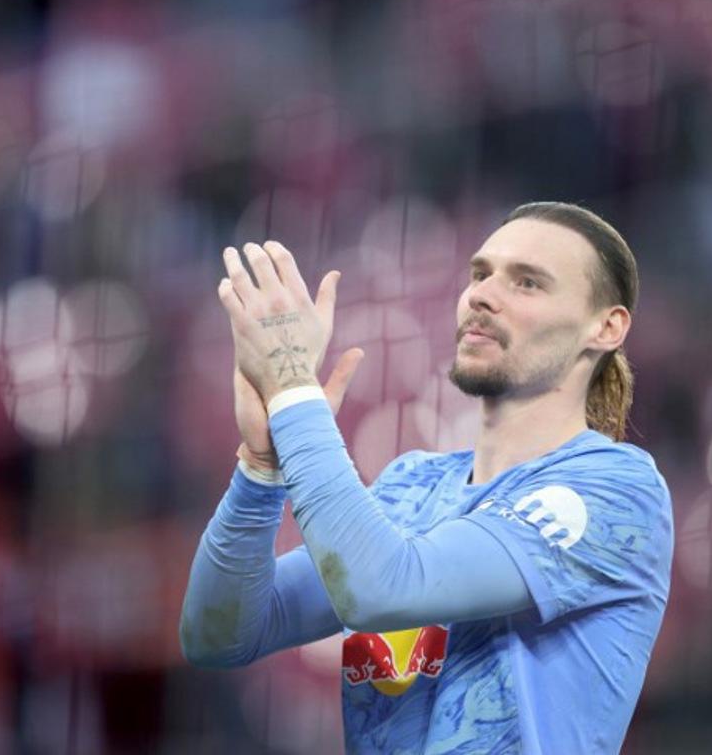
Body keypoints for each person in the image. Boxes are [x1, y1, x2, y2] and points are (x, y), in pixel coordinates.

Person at [181, 202, 674, 754]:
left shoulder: (615, 491)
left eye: (528, 283)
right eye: (480, 274)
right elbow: (220, 636)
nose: (482, 295)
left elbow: (385, 587)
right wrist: (261, 466)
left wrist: (294, 389)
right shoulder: (411, 486)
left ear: (606, 327)